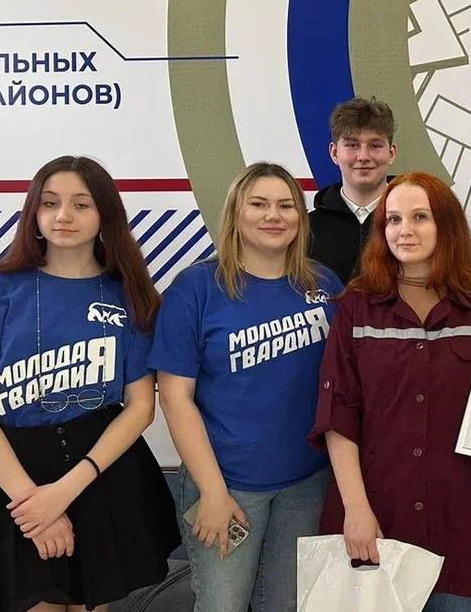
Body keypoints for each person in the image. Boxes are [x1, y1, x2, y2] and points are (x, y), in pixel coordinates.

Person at [0, 156, 179, 611]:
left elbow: (140, 407)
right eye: (50, 203)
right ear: (34, 211)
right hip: (17, 475)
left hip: (101, 470)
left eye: (81, 204)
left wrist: (66, 491)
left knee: (91, 603)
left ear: (105, 215)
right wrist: (36, 506)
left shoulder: (130, 294)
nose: (63, 216)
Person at [309, 172, 471, 612]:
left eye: (419, 217)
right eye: (393, 219)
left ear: (445, 225)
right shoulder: (357, 306)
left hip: (460, 517)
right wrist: (356, 509)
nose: (404, 230)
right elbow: (339, 414)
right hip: (377, 513)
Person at [151, 163, 343, 611]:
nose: (273, 215)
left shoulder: (323, 285)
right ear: (236, 212)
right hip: (227, 484)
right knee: (223, 605)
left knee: (287, 605)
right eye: (258, 204)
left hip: (307, 483)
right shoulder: (197, 288)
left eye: (285, 206)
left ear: (300, 217)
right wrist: (212, 492)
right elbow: (175, 398)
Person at [308, 96, 398, 282]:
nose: (363, 156)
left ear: (391, 154)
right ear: (334, 153)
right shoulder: (307, 229)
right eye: (352, 145)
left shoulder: (419, 222)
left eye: (375, 145)